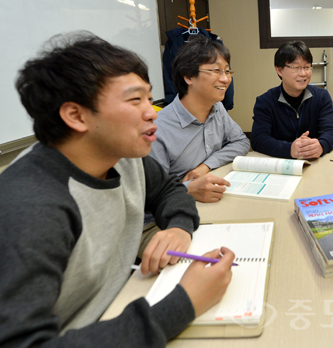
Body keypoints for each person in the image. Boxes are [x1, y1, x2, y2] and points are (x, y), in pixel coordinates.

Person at [0, 32, 234, 346]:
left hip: (119, 303)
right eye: (134, 100)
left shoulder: (124, 156)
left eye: (149, 99)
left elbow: (168, 190)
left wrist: (178, 227)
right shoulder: (31, 206)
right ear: (76, 115)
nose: (152, 112)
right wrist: (185, 302)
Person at [150, 36, 249, 204]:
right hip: (170, 213)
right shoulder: (157, 130)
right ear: (188, 76)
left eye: (227, 71)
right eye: (216, 71)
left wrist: (206, 166)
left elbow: (241, 141)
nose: (225, 79)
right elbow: (150, 194)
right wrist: (188, 188)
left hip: (212, 198)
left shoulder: (217, 108)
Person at [251, 41, 333, 159]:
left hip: (314, 161)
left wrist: (321, 146)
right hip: (280, 163)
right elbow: (258, 139)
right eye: (296, 67)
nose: (303, 73)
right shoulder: (265, 101)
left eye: (307, 67)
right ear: (279, 70)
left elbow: (332, 131)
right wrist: (289, 149)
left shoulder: (321, 97)